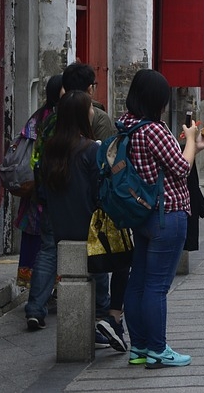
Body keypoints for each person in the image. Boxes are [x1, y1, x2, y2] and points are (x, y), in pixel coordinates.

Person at [119, 68, 204, 367]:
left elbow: (171, 163)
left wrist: (192, 148)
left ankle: (140, 348)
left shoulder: (127, 125)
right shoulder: (154, 130)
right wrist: (190, 139)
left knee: (138, 282)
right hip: (167, 213)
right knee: (157, 287)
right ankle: (158, 349)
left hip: (142, 213)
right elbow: (182, 169)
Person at [34, 90, 126, 352]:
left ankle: (98, 319)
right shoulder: (91, 149)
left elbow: (42, 192)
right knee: (119, 263)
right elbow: (102, 190)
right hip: (90, 229)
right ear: (81, 114)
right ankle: (104, 318)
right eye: (89, 108)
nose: (93, 112)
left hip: (61, 228)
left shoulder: (49, 149)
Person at [17, 75, 62, 318]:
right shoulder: (55, 121)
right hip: (47, 193)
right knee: (48, 245)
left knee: (38, 244)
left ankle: (38, 296)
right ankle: (46, 294)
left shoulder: (37, 117)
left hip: (36, 192)